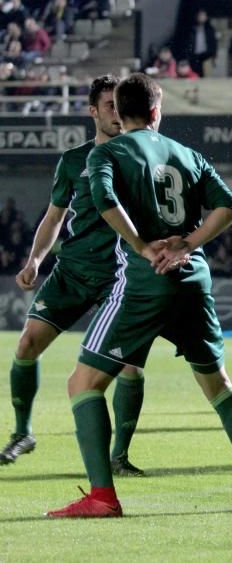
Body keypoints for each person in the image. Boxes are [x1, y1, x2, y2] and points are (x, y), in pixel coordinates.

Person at [46, 73, 232, 518]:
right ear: (157, 111)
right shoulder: (187, 154)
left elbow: (102, 198)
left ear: (119, 109)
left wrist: (143, 246)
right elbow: (229, 206)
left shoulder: (108, 152)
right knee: (219, 386)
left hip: (144, 281)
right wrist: (188, 244)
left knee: (83, 383)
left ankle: (102, 497)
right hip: (193, 279)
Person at [3, 76, 146, 474]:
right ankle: (22, 432)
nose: (116, 113)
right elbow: (53, 218)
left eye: (120, 105)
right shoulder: (73, 160)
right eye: (108, 106)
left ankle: (119, 455)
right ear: (93, 111)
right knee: (28, 343)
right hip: (71, 272)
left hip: (119, 277)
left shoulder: (139, 159)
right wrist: (34, 260)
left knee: (129, 365)